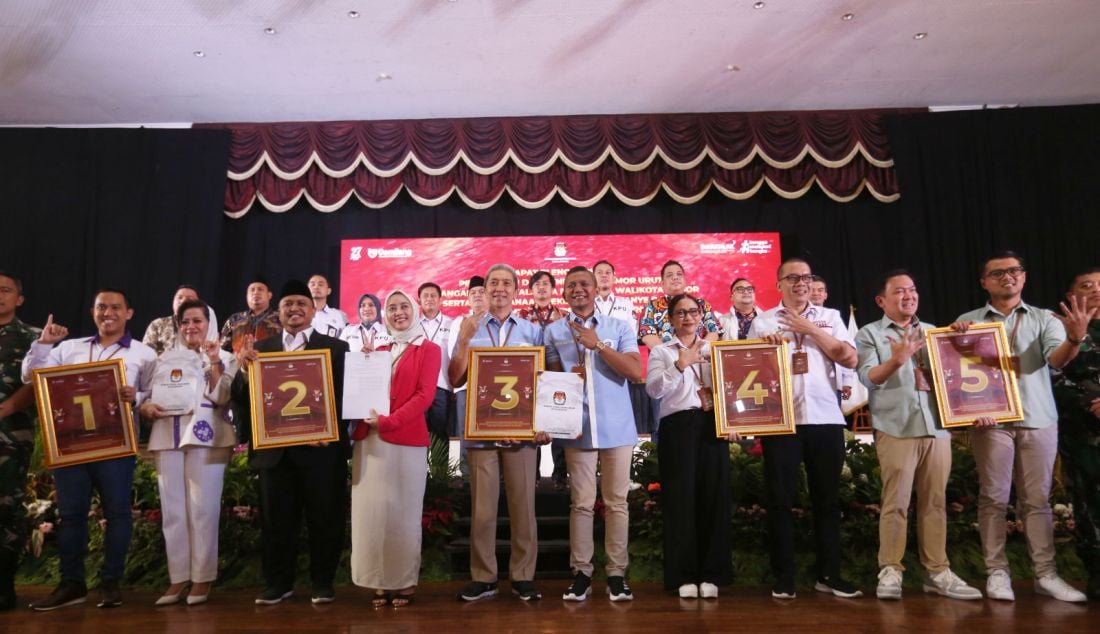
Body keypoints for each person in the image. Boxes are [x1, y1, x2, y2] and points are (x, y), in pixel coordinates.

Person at [952, 251, 1089, 602]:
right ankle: (996, 572)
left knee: (1037, 501)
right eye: (997, 273)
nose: (1007, 277)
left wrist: (1074, 339)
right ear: (984, 282)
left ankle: (1046, 573)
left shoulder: (1045, 318)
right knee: (993, 498)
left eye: (1013, 271)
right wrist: (956, 340)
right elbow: (951, 371)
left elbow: (1055, 360)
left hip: (1038, 417)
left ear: (1024, 277)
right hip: (991, 421)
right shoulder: (968, 321)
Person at [22, 289, 157, 610]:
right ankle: (72, 584)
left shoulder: (144, 353)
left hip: (116, 444)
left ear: (129, 313)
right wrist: (43, 343)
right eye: (101, 307)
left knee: (118, 513)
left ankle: (111, 582)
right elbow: (31, 376)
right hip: (71, 447)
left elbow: (154, 393)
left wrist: (135, 397)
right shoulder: (68, 348)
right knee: (70, 517)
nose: (107, 312)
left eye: (115, 307)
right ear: (93, 312)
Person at [855, 270, 982, 601]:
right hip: (896, 427)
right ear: (881, 300)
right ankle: (891, 569)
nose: (908, 296)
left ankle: (937, 570)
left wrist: (961, 338)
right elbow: (868, 379)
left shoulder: (933, 332)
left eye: (912, 290)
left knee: (935, 502)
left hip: (937, 427)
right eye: (899, 291)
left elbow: (961, 375)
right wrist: (896, 361)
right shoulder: (870, 334)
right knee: (895, 503)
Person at [747, 258, 863, 599]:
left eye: (807, 278)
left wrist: (809, 329)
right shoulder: (763, 321)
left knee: (826, 501)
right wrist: (763, 352)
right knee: (780, 500)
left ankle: (829, 574)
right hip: (781, 421)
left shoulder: (830, 318)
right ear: (779, 283)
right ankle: (784, 577)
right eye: (793, 278)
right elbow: (750, 370)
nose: (801, 283)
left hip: (825, 419)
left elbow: (849, 358)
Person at [230, 280, 351, 605]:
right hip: (276, 454)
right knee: (276, 521)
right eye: (288, 304)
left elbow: (345, 399)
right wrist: (242, 371)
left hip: (321, 453)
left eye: (301, 303)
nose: (295, 309)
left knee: (324, 519)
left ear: (313, 310)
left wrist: (329, 432)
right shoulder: (261, 350)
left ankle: (322, 582)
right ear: (278, 311)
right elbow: (241, 401)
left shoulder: (335, 348)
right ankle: (278, 584)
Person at [448, 264, 549, 602]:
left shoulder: (532, 331)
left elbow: (542, 382)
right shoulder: (468, 327)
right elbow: (454, 378)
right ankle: (484, 577)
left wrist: (535, 425)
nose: (500, 288)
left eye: (507, 283)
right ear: (485, 289)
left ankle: (523, 576)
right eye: (494, 283)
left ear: (517, 290)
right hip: (481, 433)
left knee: (524, 507)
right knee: (483, 510)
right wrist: (463, 340)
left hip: (521, 434)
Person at [545, 266, 641, 602]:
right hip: (578, 428)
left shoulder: (619, 326)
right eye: (571, 286)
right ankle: (582, 573)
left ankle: (616, 574)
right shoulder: (554, 331)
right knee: (581, 504)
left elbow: (636, 371)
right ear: (565, 292)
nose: (578, 290)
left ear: (595, 286)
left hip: (617, 427)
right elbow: (553, 380)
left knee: (617, 504)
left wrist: (597, 345)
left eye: (584, 283)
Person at [137, 299, 237, 606]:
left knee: (203, 510)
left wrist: (213, 360)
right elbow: (146, 396)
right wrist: (146, 407)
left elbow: (223, 398)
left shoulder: (227, 358)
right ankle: (178, 577)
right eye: (185, 322)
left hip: (208, 439)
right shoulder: (164, 358)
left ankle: (202, 578)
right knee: (173, 511)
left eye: (197, 320)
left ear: (210, 323)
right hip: (168, 436)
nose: (191, 326)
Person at [349, 290, 441, 608]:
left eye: (404, 306)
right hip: (370, 442)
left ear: (414, 311)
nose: (398, 312)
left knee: (402, 514)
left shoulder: (429, 349)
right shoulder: (378, 350)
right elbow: (362, 392)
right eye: (392, 307)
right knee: (371, 516)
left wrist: (387, 422)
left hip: (405, 439)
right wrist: (362, 363)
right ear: (383, 314)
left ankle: (402, 582)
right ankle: (377, 581)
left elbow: (424, 396)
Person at [646, 293, 738, 598]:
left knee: (714, 497)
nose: (687, 317)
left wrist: (736, 424)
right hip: (677, 427)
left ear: (701, 317)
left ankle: (712, 574)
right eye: (680, 313)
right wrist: (680, 365)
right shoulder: (661, 352)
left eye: (693, 312)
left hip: (712, 424)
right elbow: (654, 390)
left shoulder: (716, 350)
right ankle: (683, 575)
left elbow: (730, 390)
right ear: (670, 320)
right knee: (680, 500)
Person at [1051, 267, 1100, 601]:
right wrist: (1091, 403)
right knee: (1088, 505)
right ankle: (1097, 572)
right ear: (1072, 297)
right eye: (1087, 285)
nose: (1096, 289)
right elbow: (1049, 377)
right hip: (1083, 435)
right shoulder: (1058, 329)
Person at [0, 272, 39, 611]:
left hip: (11, 435)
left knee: (8, 509)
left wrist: (6, 408)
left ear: (19, 298)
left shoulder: (33, 338)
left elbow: (39, 382)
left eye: (6, 290)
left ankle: (4, 584)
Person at [518, 271, 568, 487]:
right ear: (530, 290)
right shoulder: (520, 316)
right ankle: (532, 476)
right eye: (537, 284)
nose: (541, 288)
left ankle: (560, 476)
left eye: (546, 284)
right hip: (530, 378)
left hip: (557, 375)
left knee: (559, 425)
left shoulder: (563, 315)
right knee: (532, 428)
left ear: (553, 288)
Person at [639, 260, 721, 348]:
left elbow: (714, 332)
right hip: (665, 359)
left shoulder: (702, 305)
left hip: (699, 358)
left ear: (685, 281)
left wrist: (694, 353)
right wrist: (671, 356)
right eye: (669, 275)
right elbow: (647, 336)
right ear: (662, 284)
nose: (675, 278)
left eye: (679, 274)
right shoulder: (651, 307)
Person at [809, 276, 854, 402]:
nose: (816, 293)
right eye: (812, 290)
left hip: (832, 382)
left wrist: (847, 380)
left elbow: (845, 348)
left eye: (820, 290)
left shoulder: (833, 315)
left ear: (826, 295)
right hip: (806, 382)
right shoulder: (797, 317)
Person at [418, 282, 453, 439]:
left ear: (440, 299)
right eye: (425, 296)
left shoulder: (452, 324)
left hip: (442, 387)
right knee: (418, 434)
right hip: (417, 388)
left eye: (433, 295)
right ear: (419, 300)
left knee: (441, 436)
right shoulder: (411, 325)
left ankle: (441, 465)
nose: (429, 299)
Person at [141, 285, 219, 355]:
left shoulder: (208, 325)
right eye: (180, 297)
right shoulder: (158, 324)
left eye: (189, 298)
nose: (183, 301)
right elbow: (145, 354)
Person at [220, 277, 281, 353]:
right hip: (238, 363)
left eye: (260, 289)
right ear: (247, 296)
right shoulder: (234, 320)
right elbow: (223, 350)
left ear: (269, 295)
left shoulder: (280, 319)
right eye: (252, 290)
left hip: (269, 363)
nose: (256, 292)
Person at [593, 260, 638, 338]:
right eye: (599, 272)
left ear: (614, 278)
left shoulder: (625, 303)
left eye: (608, 272)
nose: (604, 275)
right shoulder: (586, 303)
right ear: (592, 278)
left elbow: (632, 333)